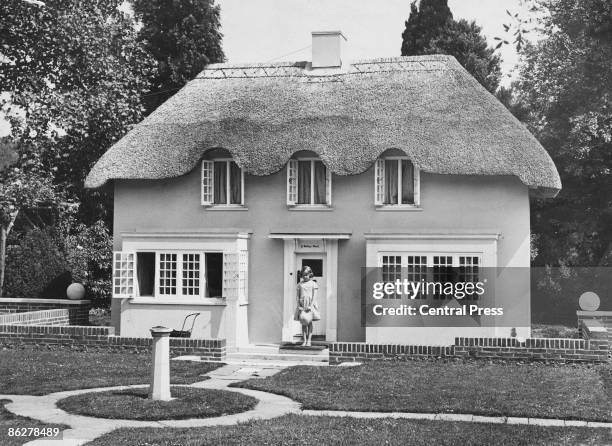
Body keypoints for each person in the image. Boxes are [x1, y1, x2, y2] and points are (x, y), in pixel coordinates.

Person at [294, 265, 320, 346]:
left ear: (310, 274)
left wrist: (311, 306)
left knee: (309, 323)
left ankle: (309, 340)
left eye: (307, 274)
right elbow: (297, 296)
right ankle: (304, 340)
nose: (305, 276)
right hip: (302, 305)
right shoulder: (299, 284)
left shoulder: (313, 284)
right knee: (303, 323)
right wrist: (299, 305)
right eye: (304, 275)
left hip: (310, 305)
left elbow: (314, 296)